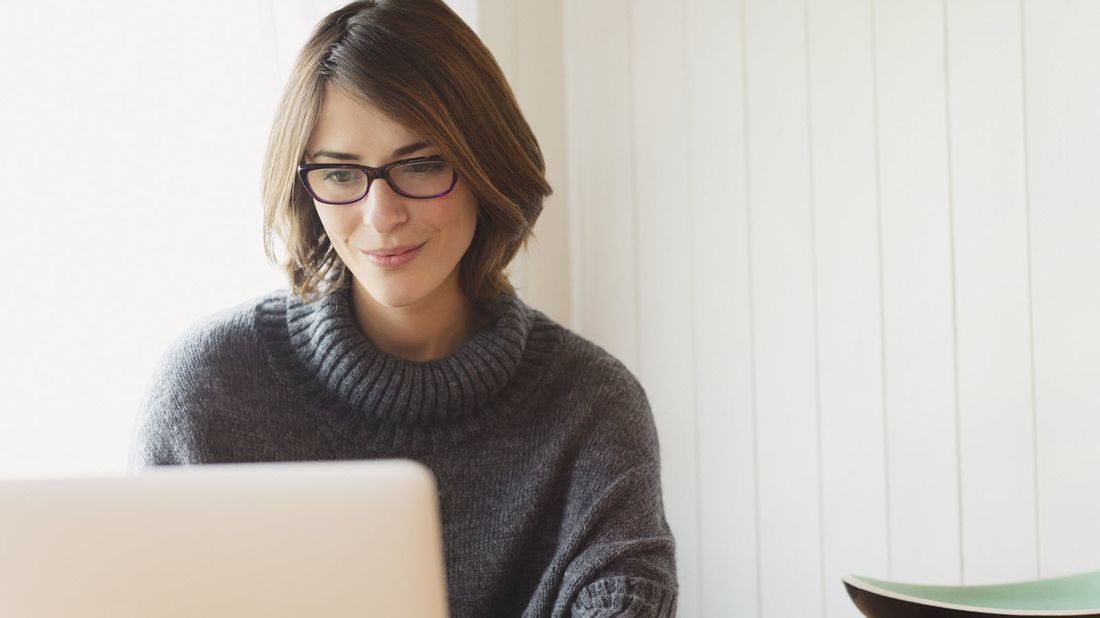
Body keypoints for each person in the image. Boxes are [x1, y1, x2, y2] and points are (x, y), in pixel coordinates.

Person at [128, 0, 677, 615]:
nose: (381, 216)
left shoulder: (592, 408)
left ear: (485, 167)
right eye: (339, 174)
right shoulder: (210, 391)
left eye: (419, 166)